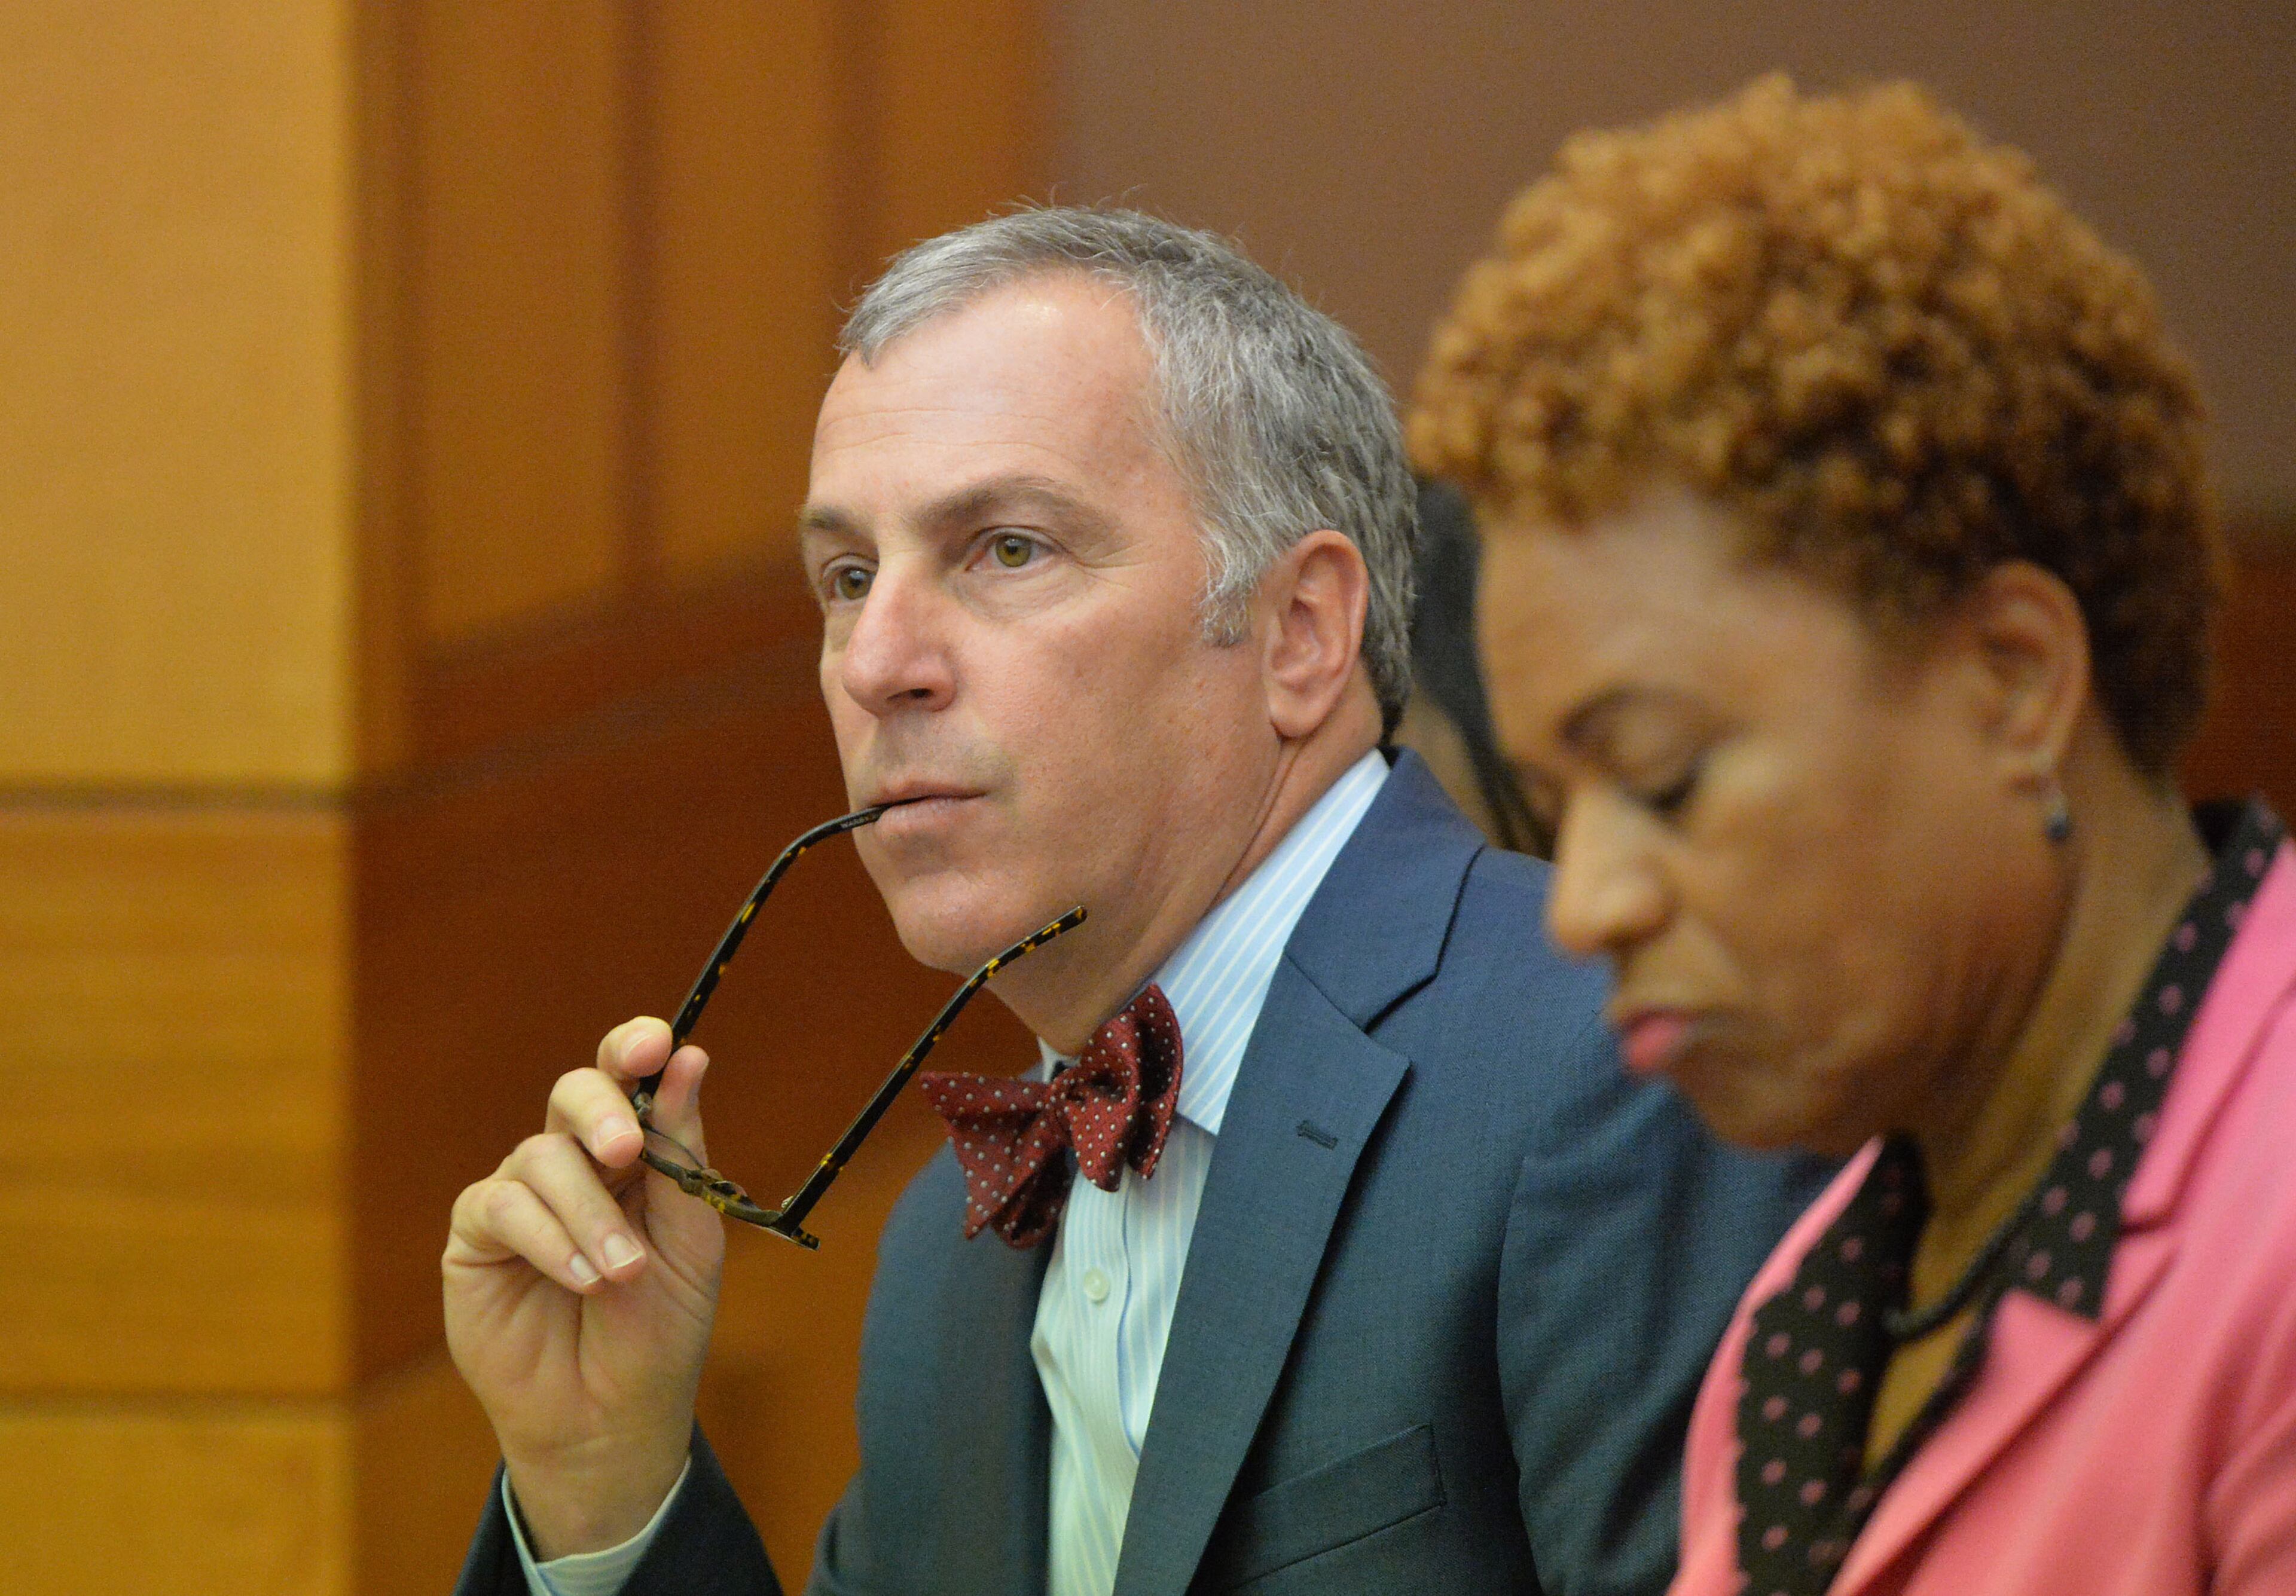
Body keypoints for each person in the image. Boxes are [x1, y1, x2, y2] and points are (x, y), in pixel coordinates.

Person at [444, 207, 1820, 1596]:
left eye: (1006, 549)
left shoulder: (1618, 1062)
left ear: (1298, 633)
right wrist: (606, 1479)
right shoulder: (943, 1252)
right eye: (847, 578)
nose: (874, 662)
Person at [1412, 77, 2296, 1595]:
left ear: (2013, 681)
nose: (1584, 905)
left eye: (1666, 778)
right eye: (1556, 809)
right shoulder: (1807, 1320)